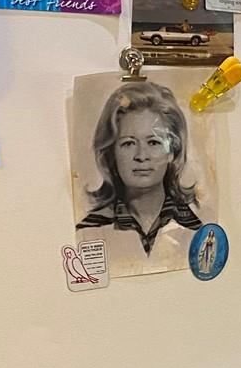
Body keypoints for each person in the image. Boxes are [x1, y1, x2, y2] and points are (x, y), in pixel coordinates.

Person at [76, 81, 202, 274]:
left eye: (154, 142)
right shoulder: (89, 231)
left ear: (173, 151)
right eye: (128, 143)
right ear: (111, 153)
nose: (141, 156)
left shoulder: (198, 230)